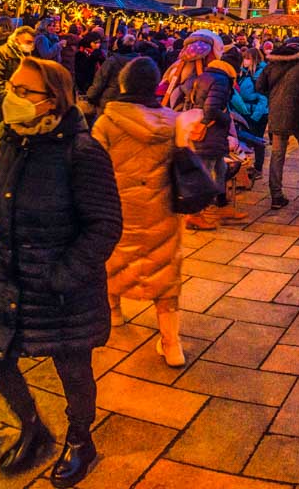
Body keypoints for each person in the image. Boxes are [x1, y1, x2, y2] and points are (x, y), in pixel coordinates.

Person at [0, 57, 121, 486]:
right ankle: (33, 426)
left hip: (61, 290)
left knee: (73, 368)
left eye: (25, 92)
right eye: (12, 88)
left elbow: (105, 225)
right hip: (1, 276)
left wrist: (62, 276)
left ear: (52, 100)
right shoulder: (2, 137)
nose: (12, 97)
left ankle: (80, 440)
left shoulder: (83, 152)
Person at [92, 57, 188, 367]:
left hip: (118, 207)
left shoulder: (107, 121)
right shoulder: (173, 121)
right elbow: (185, 165)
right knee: (166, 273)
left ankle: (114, 313)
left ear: (123, 84)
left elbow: (92, 167)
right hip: (162, 211)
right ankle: (172, 344)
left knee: (113, 261)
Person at [161, 30, 239, 230]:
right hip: (201, 129)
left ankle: (218, 206)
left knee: (216, 167)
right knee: (205, 169)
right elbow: (209, 107)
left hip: (196, 126)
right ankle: (198, 212)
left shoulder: (188, 71)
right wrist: (223, 118)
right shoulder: (211, 77)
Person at [260, 38, 299, 208]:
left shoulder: (271, 64)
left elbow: (260, 86)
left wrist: (274, 97)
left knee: (277, 154)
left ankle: (276, 195)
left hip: (277, 113)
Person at [0, 25, 36, 135]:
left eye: (31, 42)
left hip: (16, 103)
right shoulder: (1, 53)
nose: (29, 45)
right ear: (17, 39)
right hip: (0, 102)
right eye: (27, 42)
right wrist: (5, 98)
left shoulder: (25, 55)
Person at [230, 55, 270, 180]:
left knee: (257, 141)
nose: (245, 61)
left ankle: (257, 169)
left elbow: (263, 99)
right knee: (250, 142)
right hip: (244, 115)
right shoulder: (244, 75)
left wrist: (254, 116)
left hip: (255, 115)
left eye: (248, 58)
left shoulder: (258, 76)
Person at [84, 32, 138, 122]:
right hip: (129, 101)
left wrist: (90, 95)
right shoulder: (138, 62)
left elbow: (100, 80)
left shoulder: (112, 61)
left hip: (109, 100)